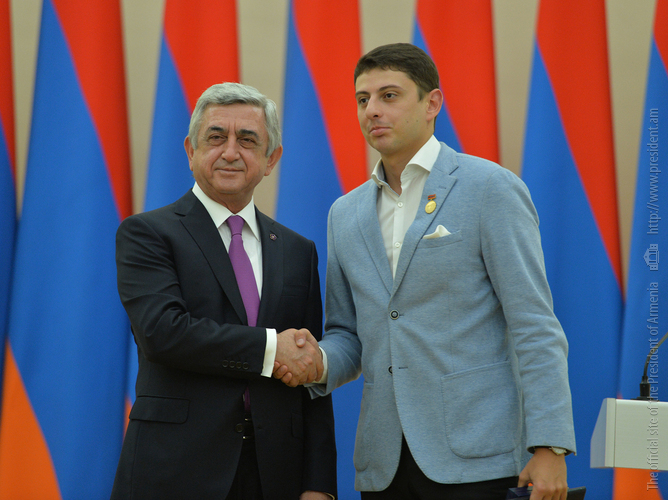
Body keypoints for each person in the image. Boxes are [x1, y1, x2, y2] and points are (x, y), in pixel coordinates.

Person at [275, 43, 576, 500]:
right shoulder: (345, 213)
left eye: (389, 96)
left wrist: (550, 444)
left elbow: (534, 325)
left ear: (432, 103)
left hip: (478, 458)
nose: (372, 110)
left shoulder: (490, 188)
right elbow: (348, 334)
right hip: (383, 465)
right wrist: (314, 362)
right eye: (363, 99)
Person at [111, 82, 336, 500]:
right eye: (216, 137)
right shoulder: (147, 233)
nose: (230, 152)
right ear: (190, 150)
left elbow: (308, 365)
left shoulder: (297, 250)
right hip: (175, 471)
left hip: (275, 476)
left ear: (271, 159)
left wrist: (319, 484)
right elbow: (164, 332)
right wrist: (272, 349)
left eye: (247, 140)